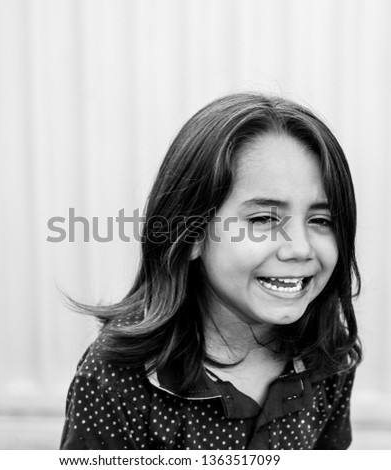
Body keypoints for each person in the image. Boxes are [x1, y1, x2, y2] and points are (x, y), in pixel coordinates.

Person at [60, 92, 362, 450]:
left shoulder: (328, 354)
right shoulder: (116, 378)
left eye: (320, 219)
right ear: (190, 236)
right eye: (264, 218)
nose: (299, 248)